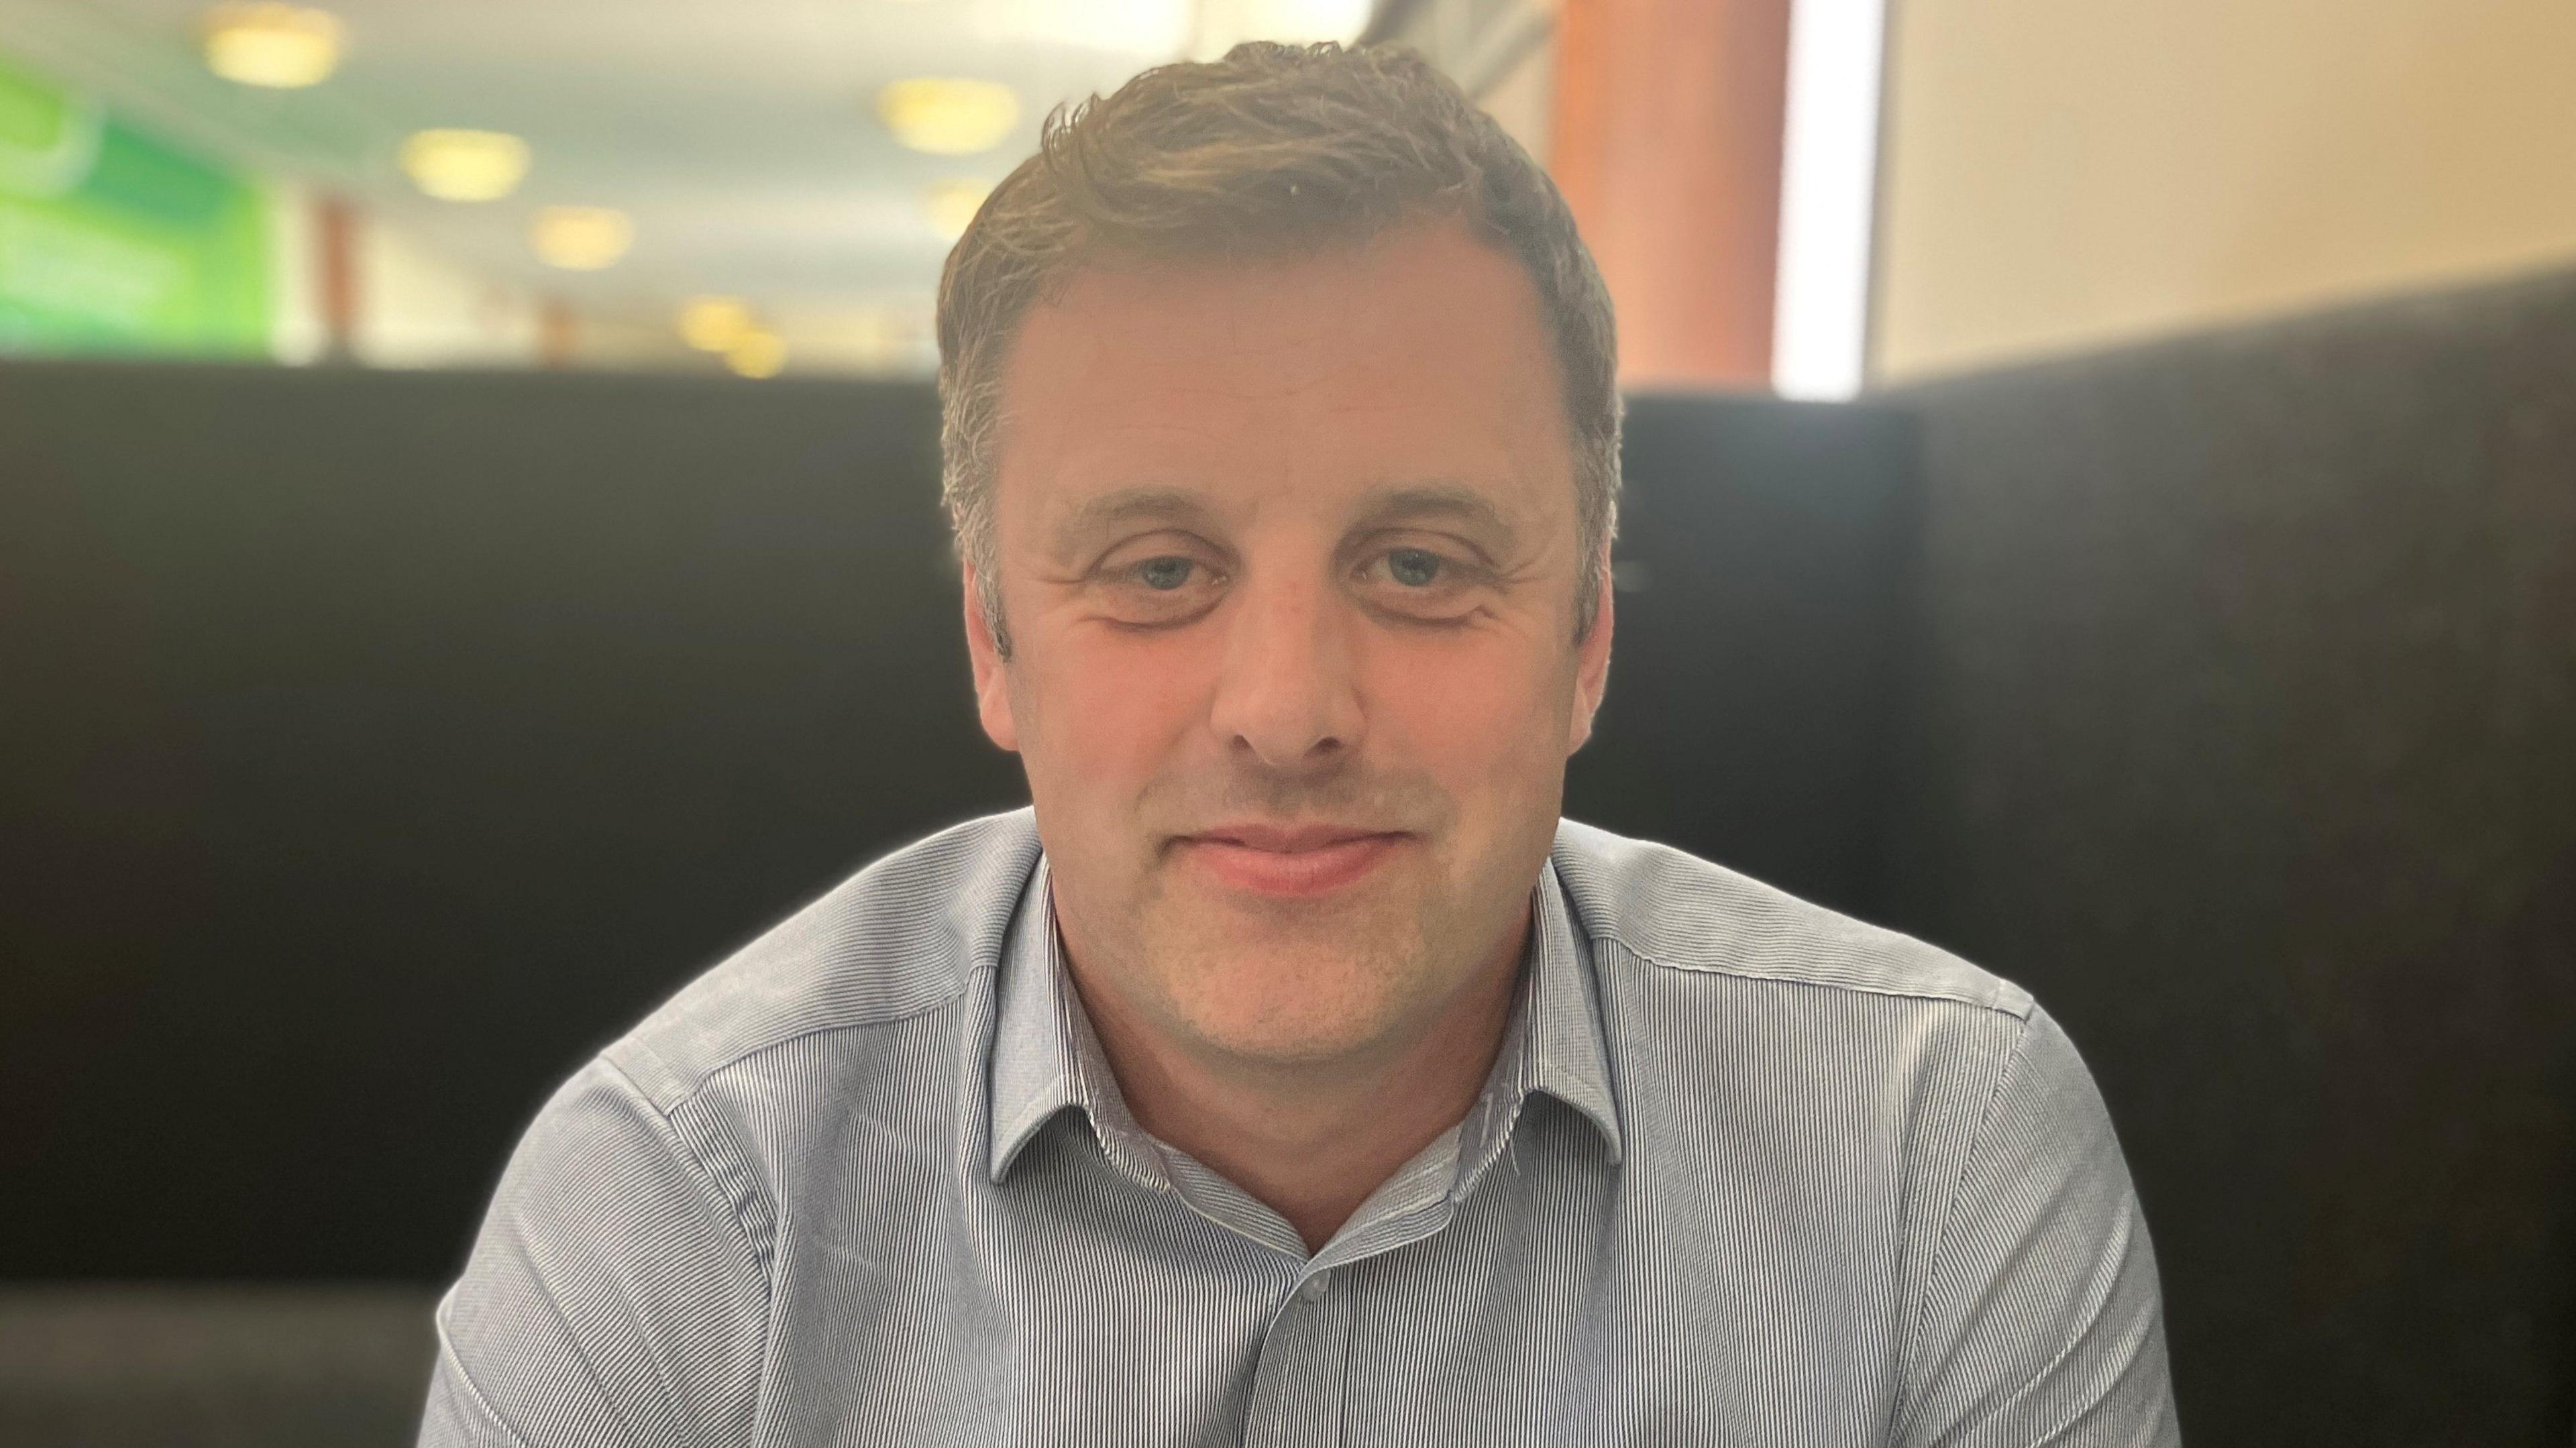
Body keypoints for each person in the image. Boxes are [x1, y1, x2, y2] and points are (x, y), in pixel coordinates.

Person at [420, 40, 2178, 1447]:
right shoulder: (675, 1207)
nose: (1288, 710)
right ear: (995, 646)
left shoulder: (1934, 1153)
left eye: (1419, 567)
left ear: (1585, 644)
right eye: (1159, 571)